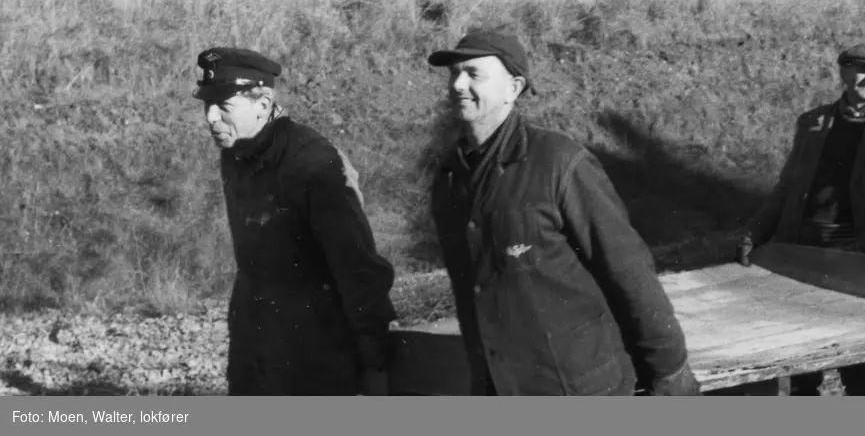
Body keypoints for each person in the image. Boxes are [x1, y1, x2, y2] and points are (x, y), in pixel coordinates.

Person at [427, 29, 700, 396]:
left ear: (513, 87)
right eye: (453, 73)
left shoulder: (559, 163)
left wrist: (670, 371)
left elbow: (628, 271)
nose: (457, 84)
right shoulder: (449, 180)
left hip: (580, 389)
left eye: (474, 73)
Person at [193, 47, 397, 396]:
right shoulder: (236, 153)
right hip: (254, 349)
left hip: (313, 358)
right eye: (207, 105)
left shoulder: (314, 163)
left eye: (224, 106)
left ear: (263, 104)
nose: (211, 117)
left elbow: (357, 267)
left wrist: (375, 364)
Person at [737, 42, 865, 396]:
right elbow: (786, 188)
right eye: (861, 68)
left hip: (858, 256)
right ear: (844, 72)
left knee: (863, 370)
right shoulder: (812, 123)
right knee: (803, 366)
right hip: (802, 250)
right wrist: (755, 232)